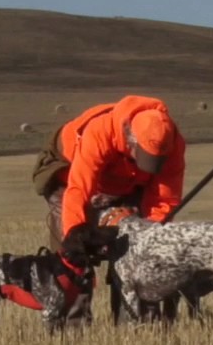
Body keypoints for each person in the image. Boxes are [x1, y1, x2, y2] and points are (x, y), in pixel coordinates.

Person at [30, 95, 186, 321]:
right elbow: (78, 190)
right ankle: (71, 323)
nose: (148, 163)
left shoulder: (173, 143)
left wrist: (147, 236)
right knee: (72, 249)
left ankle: (135, 321)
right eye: (141, 156)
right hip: (70, 174)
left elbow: (164, 199)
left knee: (135, 245)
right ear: (128, 136)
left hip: (127, 183)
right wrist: (76, 239)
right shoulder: (101, 131)